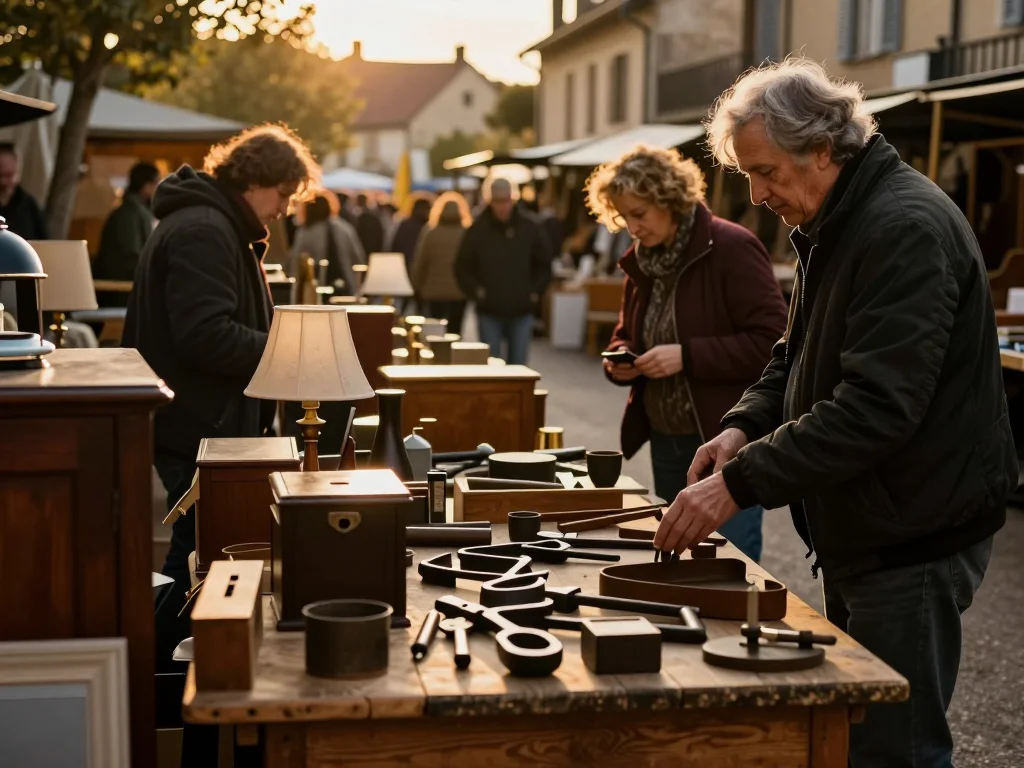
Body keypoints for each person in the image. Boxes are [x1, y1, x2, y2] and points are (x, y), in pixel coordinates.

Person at [654, 59, 1016, 766]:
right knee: (860, 733)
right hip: (875, 521)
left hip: (914, 529)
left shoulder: (901, 227)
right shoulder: (841, 216)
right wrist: (744, 425)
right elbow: (799, 349)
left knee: (895, 747)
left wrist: (738, 482)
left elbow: (876, 406)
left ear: (823, 147)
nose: (756, 196)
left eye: (765, 172)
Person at [122, 124, 319, 671]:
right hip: (197, 428)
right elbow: (205, 332)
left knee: (198, 553)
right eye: (283, 195)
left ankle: (160, 670)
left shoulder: (212, 222)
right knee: (197, 560)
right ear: (256, 179)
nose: (284, 210)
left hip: (202, 424)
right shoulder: (205, 229)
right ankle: (156, 674)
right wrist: (290, 351)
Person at [589, 145, 787, 562]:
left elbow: (774, 342)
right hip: (667, 437)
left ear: (669, 199)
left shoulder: (732, 246)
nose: (632, 228)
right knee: (681, 555)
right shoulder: (643, 260)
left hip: (723, 438)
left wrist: (687, 356)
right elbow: (625, 333)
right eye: (624, 217)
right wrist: (620, 357)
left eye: (639, 214)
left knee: (730, 560)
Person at [454, 177, 551, 364]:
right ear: (490, 201)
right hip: (489, 308)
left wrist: (534, 291)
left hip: (521, 307)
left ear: (512, 199)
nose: (503, 207)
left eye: (506, 200)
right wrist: (477, 292)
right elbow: (462, 266)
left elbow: (544, 262)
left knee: (519, 367)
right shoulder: (478, 229)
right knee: (491, 366)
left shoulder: (529, 226)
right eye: (498, 201)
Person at [92, 162, 161, 306]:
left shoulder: (135, 213)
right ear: (146, 185)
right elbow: (131, 258)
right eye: (156, 184)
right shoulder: (130, 215)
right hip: (122, 294)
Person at [411, 191, 472, 334]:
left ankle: (438, 356)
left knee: (436, 332)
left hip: (434, 292)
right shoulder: (467, 233)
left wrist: (416, 286)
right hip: (459, 292)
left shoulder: (430, 233)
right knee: (455, 331)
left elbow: (421, 262)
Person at [289, 190, 366, 294]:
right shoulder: (345, 228)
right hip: (345, 286)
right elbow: (358, 258)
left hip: (316, 288)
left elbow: (295, 263)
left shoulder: (306, 232)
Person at [0, 143, 47, 239]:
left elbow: (44, 242)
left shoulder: (29, 206)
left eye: (9, 175)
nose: (3, 182)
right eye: (0, 175)